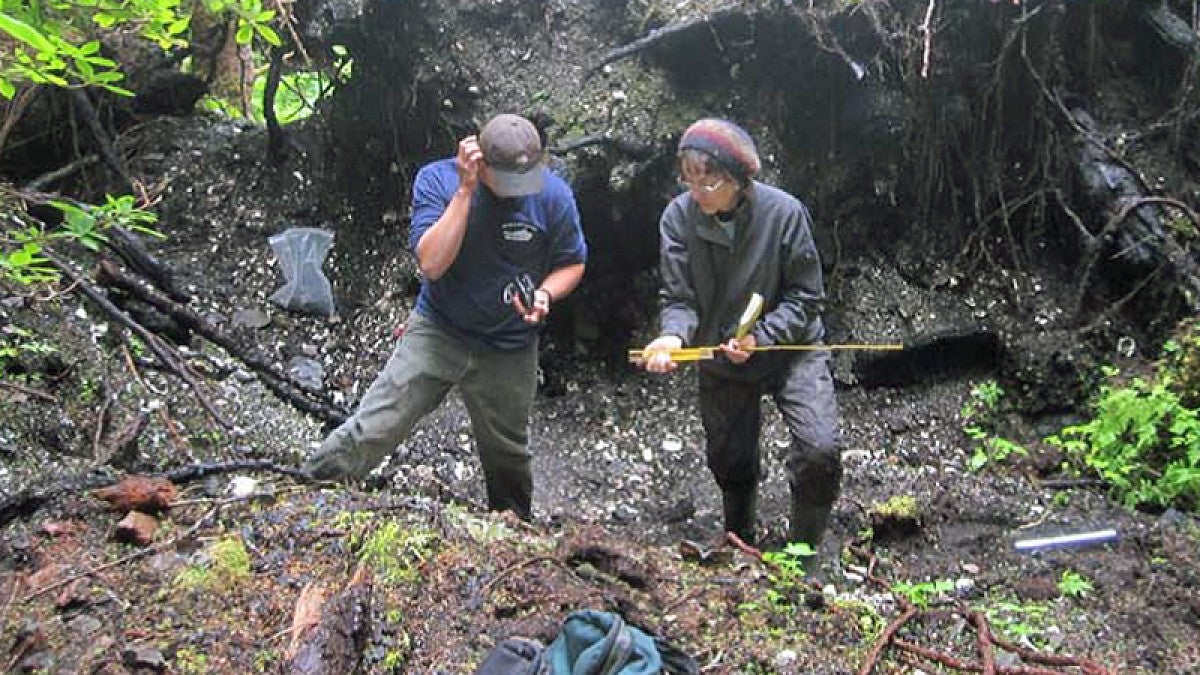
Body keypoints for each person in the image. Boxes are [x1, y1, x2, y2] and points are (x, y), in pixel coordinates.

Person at [303, 113, 587, 521]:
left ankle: (513, 529)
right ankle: (311, 488)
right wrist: (466, 192)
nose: (516, 193)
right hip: (439, 330)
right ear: (478, 161)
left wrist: (545, 294)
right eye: (506, 181)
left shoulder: (554, 195)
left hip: (509, 345)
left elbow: (572, 263)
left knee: (508, 449)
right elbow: (432, 264)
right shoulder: (438, 181)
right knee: (379, 421)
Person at [639, 118, 841, 554]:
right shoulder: (678, 218)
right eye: (689, 180)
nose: (697, 193)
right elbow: (678, 296)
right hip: (719, 355)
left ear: (737, 180)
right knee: (730, 459)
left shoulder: (784, 213)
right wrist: (674, 338)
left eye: (708, 184)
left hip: (791, 349)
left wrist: (762, 336)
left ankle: (803, 553)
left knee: (820, 450)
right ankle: (739, 539)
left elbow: (807, 297)